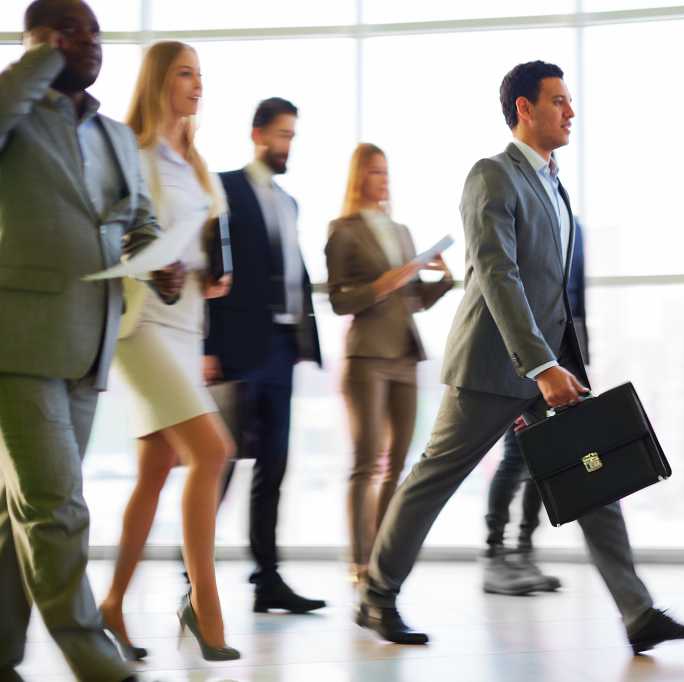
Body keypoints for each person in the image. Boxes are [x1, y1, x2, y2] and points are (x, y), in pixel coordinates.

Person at [356, 60, 684, 655]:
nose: (570, 112)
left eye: (569, 101)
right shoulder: (492, 176)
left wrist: (563, 363)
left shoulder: (554, 184)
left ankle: (638, 613)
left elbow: (555, 285)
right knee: (435, 477)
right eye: (558, 101)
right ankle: (377, 592)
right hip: (494, 366)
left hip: (549, 366)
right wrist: (540, 365)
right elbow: (498, 275)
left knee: (596, 480)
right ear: (524, 109)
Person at [0, 1, 182, 679]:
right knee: (58, 506)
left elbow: (138, 220)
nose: (91, 43)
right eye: (72, 31)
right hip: (17, 343)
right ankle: (94, 658)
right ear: (37, 41)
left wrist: (161, 262)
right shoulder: (14, 112)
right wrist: (39, 61)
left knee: (22, 513)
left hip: (88, 342)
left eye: (96, 32)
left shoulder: (111, 135)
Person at [99, 40, 239, 663]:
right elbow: (112, 236)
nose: (198, 84)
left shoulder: (195, 161)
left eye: (202, 75)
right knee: (214, 450)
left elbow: (200, 243)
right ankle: (205, 603)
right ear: (158, 80)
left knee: (155, 473)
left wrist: (210, 273)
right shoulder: (131, 151)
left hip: (187, 329)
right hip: (143, 325)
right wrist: (150, 265)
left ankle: (111, 604)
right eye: (186, 73)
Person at [204, 97, 325, 614]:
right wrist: (208, 348)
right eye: (281, 135)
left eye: (292, 135)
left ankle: (267, 577)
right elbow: (211, 270)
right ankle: (196, 572)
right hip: (235, 350)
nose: (287, 145)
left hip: (280, 349)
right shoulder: (224, 187)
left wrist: (303, 341)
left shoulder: (290, 202)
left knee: (273, 465)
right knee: (221, 463)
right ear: (258, 135)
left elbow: (294, 274)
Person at [325, 143, 454, 585]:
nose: (384, 180)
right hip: (366, 358)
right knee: (366, 462)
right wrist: (382, 285)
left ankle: (381, 555)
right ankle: (358, 561)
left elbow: (414, 299)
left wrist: (446, 278)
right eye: (375, 173)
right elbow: (339, 301)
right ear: (359, 177)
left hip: (404, 354)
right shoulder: (342, 230)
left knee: (397, 463)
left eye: (386, 173)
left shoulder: (401, 231)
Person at [481, 218, 588, 596]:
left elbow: (574, 300)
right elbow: (510, 291)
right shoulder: (525, 224)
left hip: (564, 358)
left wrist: (576, 360)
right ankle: (495, 555)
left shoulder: (574, 226)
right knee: (517, 454)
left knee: (546, 457)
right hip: (527, 356)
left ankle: (524, 551)